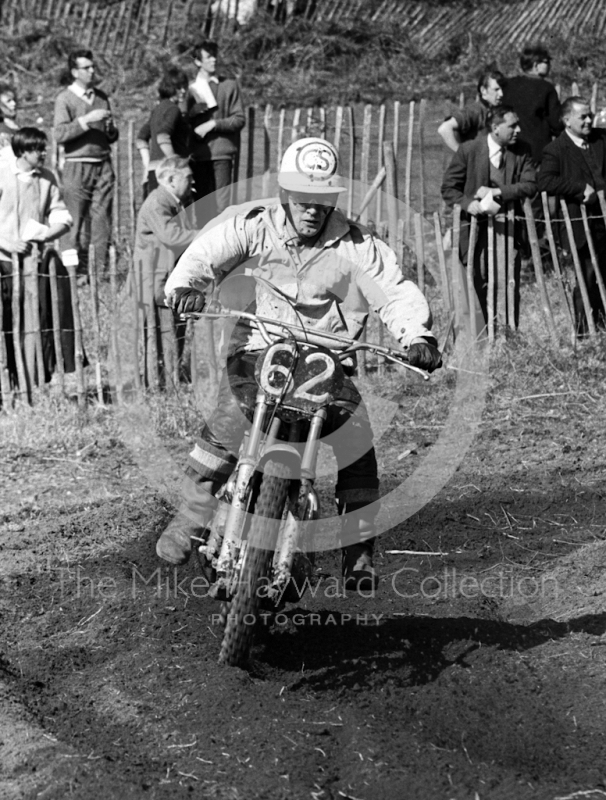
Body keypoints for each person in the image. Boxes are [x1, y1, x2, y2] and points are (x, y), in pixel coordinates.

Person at [154, 137, 442, 591]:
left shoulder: (356, 245)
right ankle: (188, 517)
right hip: (260, 350)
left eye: (322, 201)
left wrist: (416, 335)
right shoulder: (254, 225)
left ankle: (358, 552)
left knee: (357, 439)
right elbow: (205, 253)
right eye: (304, 200)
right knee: (231, 415)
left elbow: (394, 288)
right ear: (286, 195)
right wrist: (187, 285)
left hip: (325, 363)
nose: (312, 210)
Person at [441, 105, 537, 321]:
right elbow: (449, 188)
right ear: (495, 127)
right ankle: (481, 331)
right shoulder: (469, 150)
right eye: (512, 126)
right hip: (475, 229)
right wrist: (467, 204)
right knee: (477, 279)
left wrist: (498, 191)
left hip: (509, 228)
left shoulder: (522, 150)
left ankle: (508, 333)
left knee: (508, 280)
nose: (518, 130)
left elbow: (530, 185)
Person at [0, 128, 73, 394]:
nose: (43, 154)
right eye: (38, 150)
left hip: (32, 263)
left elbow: (61, 215)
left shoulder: (47, 179)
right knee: (5, 321)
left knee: (34, 321)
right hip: (3, 261)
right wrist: (7, 243)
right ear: (22, 152)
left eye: (44, 149)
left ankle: (31, 381)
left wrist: (48, 233)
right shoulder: (3, 174)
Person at [538, 97, 606, 334]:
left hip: (603, 219)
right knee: (586, 276)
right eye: (583, 117)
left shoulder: (600, 140)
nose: (589, 120)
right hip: (579, 222)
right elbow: (545, 180)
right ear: (567, 120)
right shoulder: (556, 150)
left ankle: (603, 323)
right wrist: (579, 188)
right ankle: (584, 331)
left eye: (590, 115)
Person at [131, 156, 198, 385]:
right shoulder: (158, 202)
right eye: (187, 177)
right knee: (160, 328)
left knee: (171, 327)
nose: (192, 181)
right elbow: (172, 236)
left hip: (166, 275)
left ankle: (169, 376)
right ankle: (160, 379)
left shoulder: (173, 201)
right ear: (171, 179)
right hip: (155, 276)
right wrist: (205, 234)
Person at [53, 48, 119, 277]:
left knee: (102, 220)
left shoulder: (101, 97)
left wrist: (110, 129)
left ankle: (98, 274)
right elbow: (59, 134)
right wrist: (86, 121)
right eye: (86, 68)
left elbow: (112, 135)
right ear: (74, 71)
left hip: (103, 163)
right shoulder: (65, 98)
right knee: (74, 222)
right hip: (77, 165)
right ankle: (70, 275)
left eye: (93, 67)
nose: (92, 71)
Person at [187, 39, 245, 224]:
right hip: (198, 155)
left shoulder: (229, 85)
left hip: (221, 155)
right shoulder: (190, 89)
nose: (214, 60)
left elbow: (239, 119)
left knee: (222, 207)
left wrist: (212, 125)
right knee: (202, 206)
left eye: (215, 56)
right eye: (208, 57)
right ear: (197, 62)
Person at [136, 66, 191, 199]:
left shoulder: (158, 109)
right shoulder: (173, 110)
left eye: (184, 86)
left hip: (154, 172)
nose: (183, 91)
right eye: (178, 87)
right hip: (168, 175)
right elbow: (163, 136)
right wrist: (175, 164)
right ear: (170, 88)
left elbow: (141, 139)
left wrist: (148, 163)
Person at [502, 44, 561, 166]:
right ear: (535, 65)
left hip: (510, 150)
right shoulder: (546, 89)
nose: (549, 65)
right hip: (537, 152)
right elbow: (557, 123)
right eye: (546, 62)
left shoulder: (508, 85)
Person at [438, 69, 505, 152]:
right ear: (483, 90)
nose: (501, 94)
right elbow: (444, 128)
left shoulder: (498, 110)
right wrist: (462, 155)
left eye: (503, 88)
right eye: (496, 89)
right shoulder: (475, 111)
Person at [0, 82, 19, 159]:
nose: (14, 103)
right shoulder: (3, 132)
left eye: (14, 99)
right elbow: (9, 160)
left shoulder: (12, 125)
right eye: (9, 101)